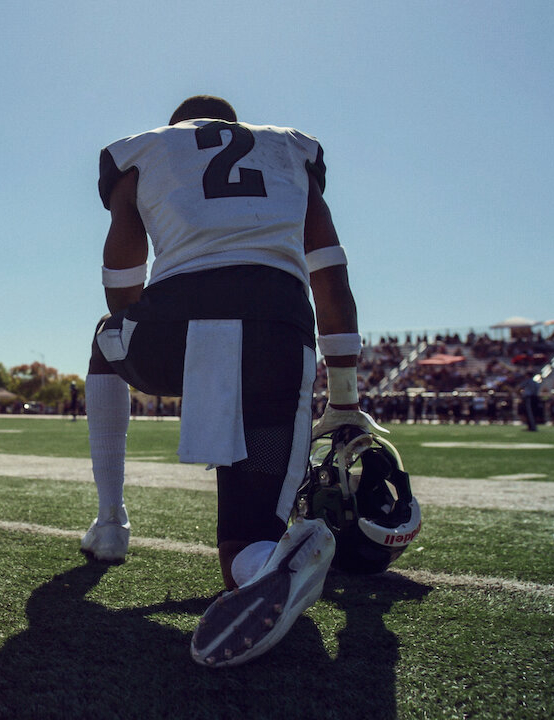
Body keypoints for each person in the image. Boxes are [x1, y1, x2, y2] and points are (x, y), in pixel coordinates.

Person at [81, 96, 375, 667]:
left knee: (103, 337)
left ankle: (111, 521)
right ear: (235, 123)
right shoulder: (290, 148)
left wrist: (136, 327)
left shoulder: (143, 151)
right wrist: (344, 400)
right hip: (278, 331)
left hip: (176, 325)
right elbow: (331, 275)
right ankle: (270, 558)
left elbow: (121, 263)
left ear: (178, 128)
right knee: (245, 545)